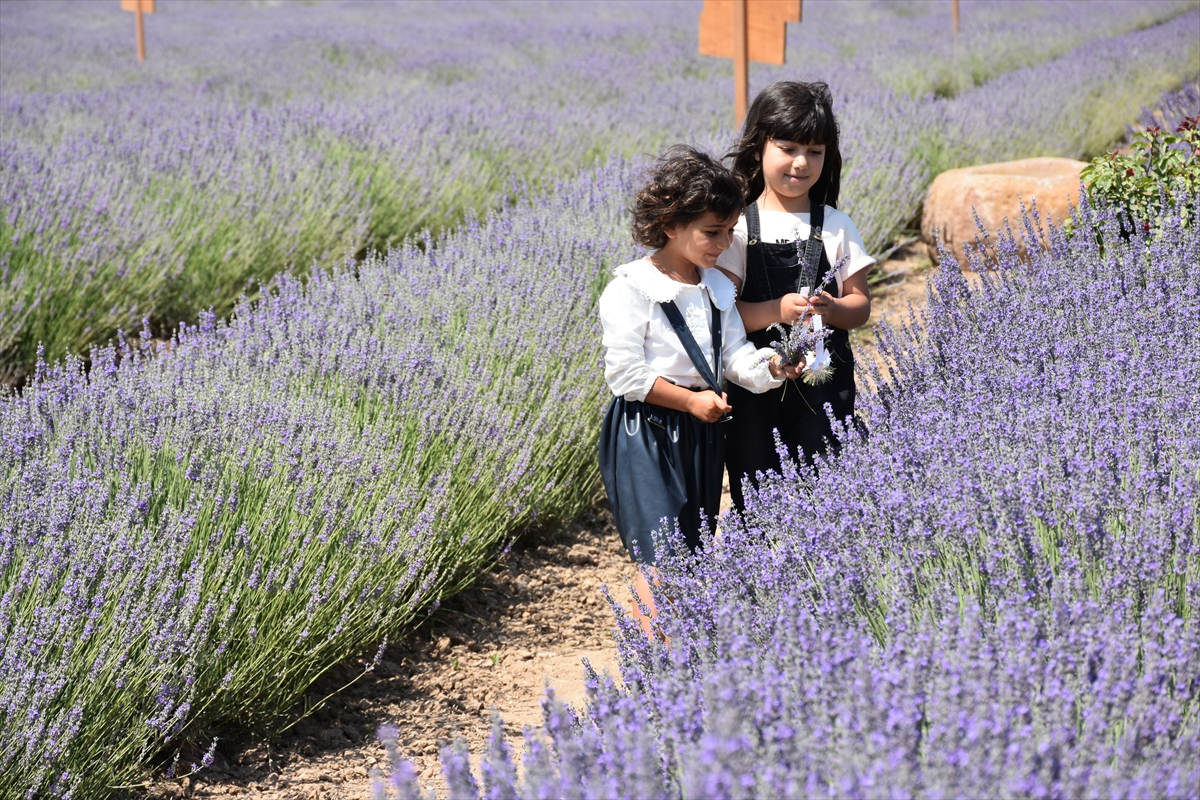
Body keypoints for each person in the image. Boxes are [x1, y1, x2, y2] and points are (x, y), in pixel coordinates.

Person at [598, 145, 795, 635]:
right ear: (670, 224)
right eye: (712, 232)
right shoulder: (629, 288)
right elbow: (625, 375)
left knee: (691, 547)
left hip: (703, 430)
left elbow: (732, 360)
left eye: (729, 231)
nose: (723, 242)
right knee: (660, 549)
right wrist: (689, 400)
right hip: (646, 430)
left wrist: (774, 365)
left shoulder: (718, 290)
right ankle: (658, 659)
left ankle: (682, 656)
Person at [716, 81, 875, 511]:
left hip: (826, 383)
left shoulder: (837, 224)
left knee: (829, 485)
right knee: (755, 487)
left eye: (816, 151)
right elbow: (723, 315)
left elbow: (860, 306)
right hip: (755, 386)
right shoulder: (739, 229)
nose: (801, 162)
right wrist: (775, 310)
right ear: (758, 149)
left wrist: (835, 308)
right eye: (787, 148)